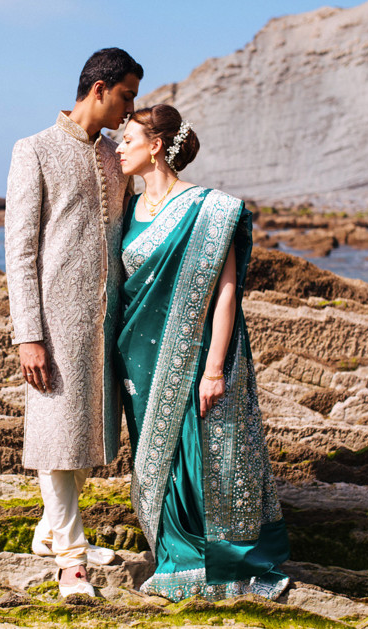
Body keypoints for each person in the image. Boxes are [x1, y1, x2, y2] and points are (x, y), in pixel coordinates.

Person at [113, 104, 291, 601]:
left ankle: (217, 561)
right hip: (139, 359)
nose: (119, 148)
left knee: (202, 453)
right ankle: (172, 553)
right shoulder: (127, 209)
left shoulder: (210, 209)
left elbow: (226, 291)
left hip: (197, 356)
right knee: (158, 461)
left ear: (155, 146)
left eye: (128, 139)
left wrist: (214, 369)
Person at [5, 47, 143, 597]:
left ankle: (50, 532)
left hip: (107, 324)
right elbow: (19, 252)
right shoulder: (34, 150)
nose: (129, 110)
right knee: (58, 440)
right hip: (54, 325)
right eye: (126, 96)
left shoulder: (115, 156)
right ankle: (70, 561)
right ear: (99, 89)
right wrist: (28, 335)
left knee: (88, 439)